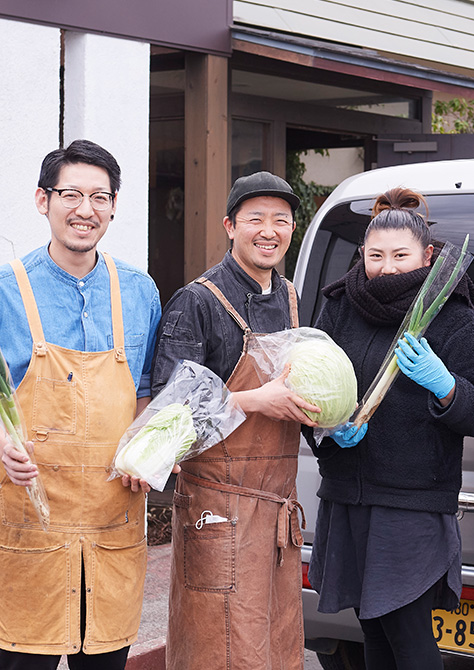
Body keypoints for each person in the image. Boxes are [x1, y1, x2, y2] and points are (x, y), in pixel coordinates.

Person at [306, 188, 474, 670]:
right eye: (376, 255)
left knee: (408, 633)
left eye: (400, 255)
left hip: (411, 504)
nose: (387, 267)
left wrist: (446, 385)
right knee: (371, 629)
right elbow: (309, 390)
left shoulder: (453, 315)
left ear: (427, 255)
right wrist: (328, 430)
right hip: (349, 495)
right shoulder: (339, 307)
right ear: (362, 254)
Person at [0, 139, 161, 669]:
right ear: (43, 201)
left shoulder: (140, 291)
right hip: (29, 525)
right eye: (71, 194)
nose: (85, 209)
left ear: (114, 206)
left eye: (100, 196)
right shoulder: (6, 291)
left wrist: (151, 452)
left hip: (111, 523)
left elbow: (146, 396)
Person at [151, 171, 321, 670]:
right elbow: (169, 418)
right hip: (218, 516)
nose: (269, 231)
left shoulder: (290, 297)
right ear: (229, 226)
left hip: (278, 519)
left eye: (281, 220)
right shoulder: (197, 302)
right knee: (217, 651)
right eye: (255, 219)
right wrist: (253, 400)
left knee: (275, 649)